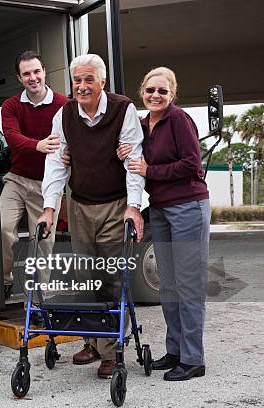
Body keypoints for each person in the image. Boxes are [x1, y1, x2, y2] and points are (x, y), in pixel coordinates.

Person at [37, 54, 145, 379]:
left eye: (88, 80)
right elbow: (56, 163)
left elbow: (134, 159)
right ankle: (92, 343)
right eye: (76, 81)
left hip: (115, 203)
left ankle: (111, 349)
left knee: (112, 277)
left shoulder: (123, 109)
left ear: (102, 82)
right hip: (81, 203)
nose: (81, 87)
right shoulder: (65, 114)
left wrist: (134, 206)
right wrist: (49, 208)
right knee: (85, 276)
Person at [117, 67, 210, 381]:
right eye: (150, 90)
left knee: (188, 285)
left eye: (162, 91)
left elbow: (191, 165)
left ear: (172, 94)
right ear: (142, 91)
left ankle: (193, 359)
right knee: (168, 285)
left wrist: (148, 170)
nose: (155, 96)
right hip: (159, 209)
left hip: (188, 207)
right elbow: (138, 161)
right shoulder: (142, 125)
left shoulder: (179, 120)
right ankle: (175, 351)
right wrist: (126, 155)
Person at [0, 50, 68, 299]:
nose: (33, 77)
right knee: (3, 228)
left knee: (43, 243)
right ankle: (5, 280)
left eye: (36, 71)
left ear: (44, 72)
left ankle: (41, 298)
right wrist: (37, 145)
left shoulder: (63, 104)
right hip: (16, 180)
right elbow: (12, 136)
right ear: (19, 78)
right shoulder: (11, 106)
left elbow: (74, 137)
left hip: (47, 185)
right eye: (26, 73)